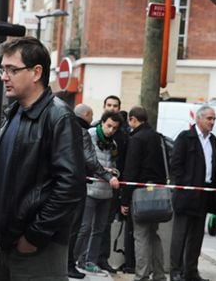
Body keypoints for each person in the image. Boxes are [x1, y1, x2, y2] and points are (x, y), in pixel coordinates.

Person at [0, 37, 85, 280]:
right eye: (3, 69)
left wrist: (35, 235)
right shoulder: (14, 112)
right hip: (6, 244)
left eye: (12, 69)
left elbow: (70, 186)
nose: (4, 76)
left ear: (36, 72)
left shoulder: (59, 117)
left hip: (36, 251)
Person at [170, 105, 216, 281]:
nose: (212, 122)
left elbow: (213, 167)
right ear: (199, 119)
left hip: (204, 194)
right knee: (180, 235)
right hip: (187, 194)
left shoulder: (213, 140)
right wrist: (185, 184)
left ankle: (191, 271)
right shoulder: (186, 137)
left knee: (197, 236)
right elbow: (176, 164)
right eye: (209, 118)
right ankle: (175, 271)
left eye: (214, 119)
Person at [70, 104, 118, 279]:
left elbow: (113, 165)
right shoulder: (87, 134)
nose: (111, 130)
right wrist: (105, 173)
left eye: (115, 128)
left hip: (105, 191)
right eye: (109, 126)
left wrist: (112, 173)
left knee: (98, 228)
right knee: (83, 227)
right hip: (90, 189)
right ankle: (73, 260)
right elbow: (89, 161)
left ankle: (88, 261)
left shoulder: (113, 144)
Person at [120, 106, 168, 281]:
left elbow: (130, 170)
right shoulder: (157, 137)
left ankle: (141, 275)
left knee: (140, 236)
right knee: (154, 235)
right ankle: (160, 274)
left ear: (133, 119)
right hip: (157, 192)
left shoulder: (136, 139)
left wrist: (124, 200)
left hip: (140, 193)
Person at [93, 94, 132, 273]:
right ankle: (87, 257)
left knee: (105, 224)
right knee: (88, 226)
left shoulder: (123, 135)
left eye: (115, 106)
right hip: (93, 185)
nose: (112, 108)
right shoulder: (94, 129)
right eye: (109, 105)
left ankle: (102, 258)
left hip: (114, 185)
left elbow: (122, 160)